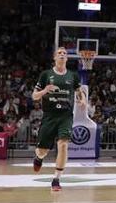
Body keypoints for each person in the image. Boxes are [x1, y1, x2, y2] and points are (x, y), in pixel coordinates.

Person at [30, 46, 85, 192]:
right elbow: (34, 96)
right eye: (59, 53)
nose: (62, 54)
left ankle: (56, 179)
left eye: (64, 53)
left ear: (67, 58)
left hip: (65, 116)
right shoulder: (46, 74)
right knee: (42, 151)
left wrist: (83, 100)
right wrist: (45, 90)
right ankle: (39, 158)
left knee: (63, 144)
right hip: (49, 116)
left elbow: (79, 91)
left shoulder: (73, 75)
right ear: (54, 57)